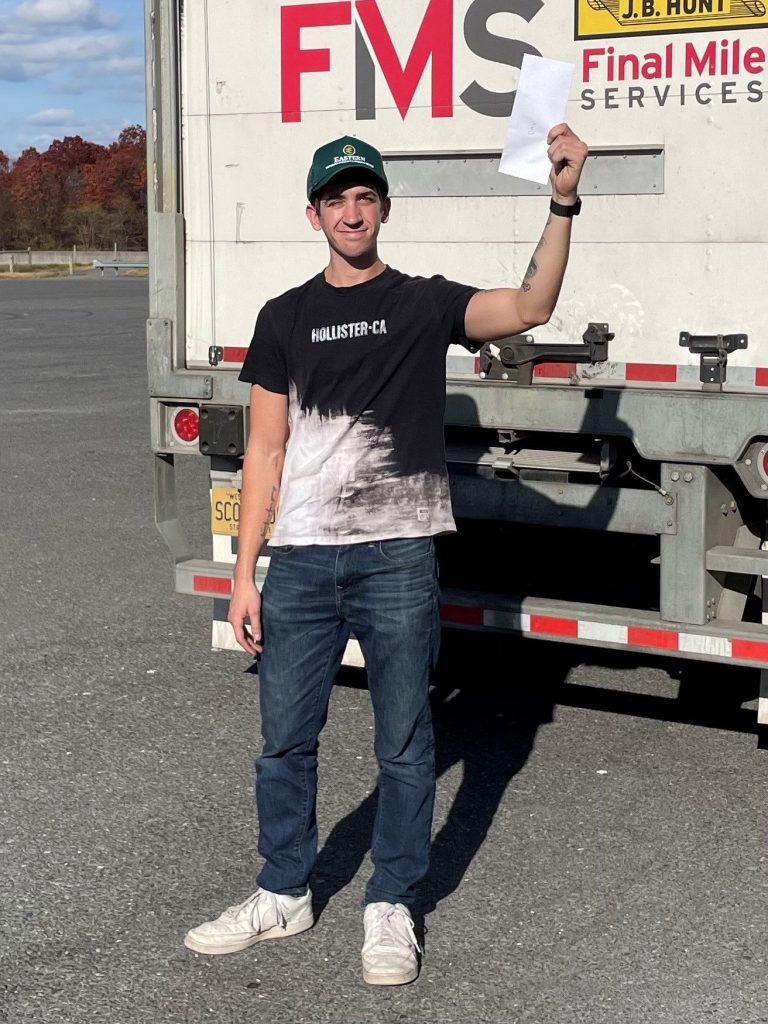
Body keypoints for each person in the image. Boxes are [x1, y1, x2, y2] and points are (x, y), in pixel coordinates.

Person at [184, 125, 588, 985]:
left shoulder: (420, 302)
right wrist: (242, 573)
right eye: (338, 199)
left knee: (404, 745)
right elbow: (264, 449)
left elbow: (529, 308)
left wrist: (560, 201)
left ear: (384, 210)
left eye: (366, 196)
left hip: (397, 555)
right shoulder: (283, 318)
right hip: (299, 562)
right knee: (283, 741)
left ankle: (390, 904)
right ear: (315, 214)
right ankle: (283, 890)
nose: (353, 211)